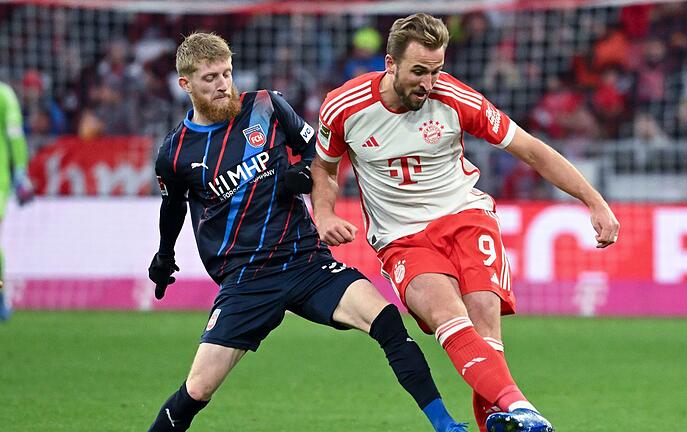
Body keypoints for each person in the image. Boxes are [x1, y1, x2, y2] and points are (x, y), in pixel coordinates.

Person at [311, 13, 620, 432]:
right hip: (401, 238)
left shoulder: (456, 99)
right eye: (418, 71)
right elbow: (325, 168)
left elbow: (530, 150)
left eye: (436, 71)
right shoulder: (345, 106)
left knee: (485, 330)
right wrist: (325, 213)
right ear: (390, 63)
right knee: (446, 317)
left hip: (466, 220)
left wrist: (594, 201)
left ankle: (507, 415)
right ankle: (523, 408)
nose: (428, 83)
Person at [146, 32, 467, 432]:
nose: (222, 84)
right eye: (210, 77)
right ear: (186, 84)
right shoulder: (175, 153)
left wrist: (303, 179)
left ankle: (445, 424)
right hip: (246, 279)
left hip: (305, 261)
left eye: (226, 73)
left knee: (386, 321)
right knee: (197, 390)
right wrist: (164, 257)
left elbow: (320, 154)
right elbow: (173, 206)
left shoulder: (265, 106)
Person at [0, 81, 34, 322]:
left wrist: (20, 171)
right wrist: (21, 171)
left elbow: (14, 136)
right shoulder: (5, 95)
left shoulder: (4, 96)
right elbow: (15, 135)